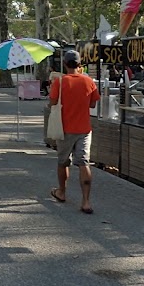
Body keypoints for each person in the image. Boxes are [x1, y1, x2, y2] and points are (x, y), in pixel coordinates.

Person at [48, 50, 100, 215]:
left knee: (63, 161)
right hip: (84, 129)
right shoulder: (89, 81)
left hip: (64, 129)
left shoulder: (59, 82)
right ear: (80, 64)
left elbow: (52, 103)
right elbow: (92, 105)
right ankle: (86, 202)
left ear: (64, 64)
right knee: (84, 163)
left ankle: (61, 191)